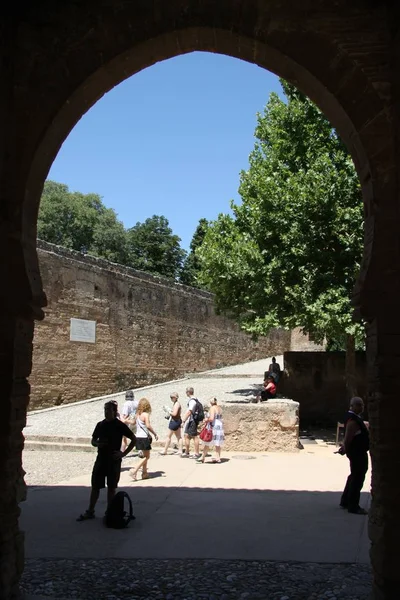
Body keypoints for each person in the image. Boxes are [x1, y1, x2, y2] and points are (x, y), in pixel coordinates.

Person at [77, 400, 136, 521]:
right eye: (105, 410)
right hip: (101, 459)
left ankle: (109, 512)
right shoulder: (100, 425)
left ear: (114, 412)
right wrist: (98, 443)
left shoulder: (120, 425)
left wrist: (123, 453)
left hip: (113, 460)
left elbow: (133, 439)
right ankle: (90, 510)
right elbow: (93, 440)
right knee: (95, 486)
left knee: (111, 487)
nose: (106, 412)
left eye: (109, 410)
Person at [339, 396, 370, 515]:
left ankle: (345, 500)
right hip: (357, 452)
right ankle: (353, 505)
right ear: (353, 406)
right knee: (358, 477)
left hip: (358, 451)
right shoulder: (353, 420)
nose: (362, 407)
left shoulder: (355, 418)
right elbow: (348, 437)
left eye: (362, 404)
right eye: (359, 405)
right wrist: (345, 448)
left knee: (354, 475)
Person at [129, 398, 159, 481]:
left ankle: (144, 473)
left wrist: (126, 420)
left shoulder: (137, 414)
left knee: (144, 456)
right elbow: (148, 426)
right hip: (144, 437)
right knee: (147, 456)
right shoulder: (145, 414)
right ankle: (134, 470)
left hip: (138, 437)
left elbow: (133, 423)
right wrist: (155, 433)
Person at [197, 398, 224, 463]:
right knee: (217, 442)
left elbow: (211, 418)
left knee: (208, 441)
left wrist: (206, 420)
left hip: (213, 425)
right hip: (219, 425)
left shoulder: (212, 408)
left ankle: (202, 457)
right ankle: (218, 457)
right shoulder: (219, 408)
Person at [181, 386, 201, 459]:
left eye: (186, 392)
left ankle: (196, 453)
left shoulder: (192, 401)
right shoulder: (195, 399)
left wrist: (183, 420)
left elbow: (189, 412)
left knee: (194, 436)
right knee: (186, 435)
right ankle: (187, 452)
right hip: (191, 421)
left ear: (188, 392)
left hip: (192, 421)